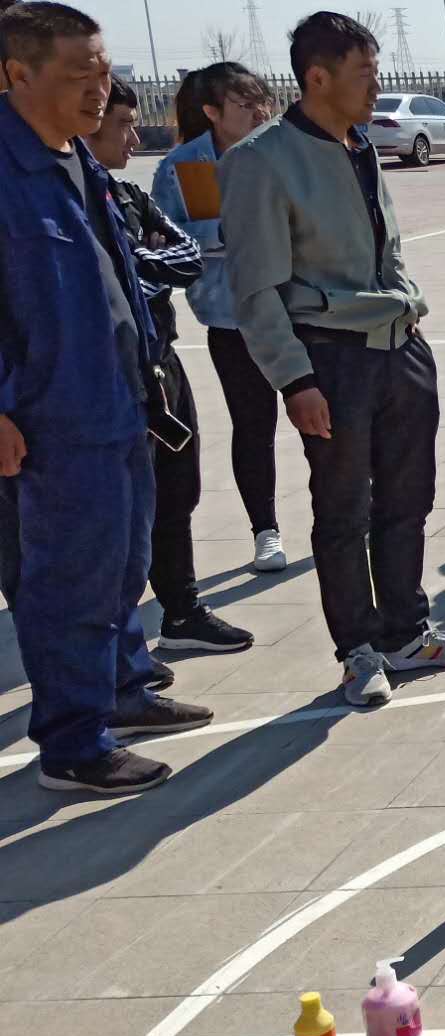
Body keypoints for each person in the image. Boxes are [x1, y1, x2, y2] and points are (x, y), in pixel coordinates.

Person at [222, 11, 445, 707]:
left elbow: (387, 247)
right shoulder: (261, 161)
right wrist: (295, 380)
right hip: (330, 360)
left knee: (408, 499)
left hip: (400, 349)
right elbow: (255, 290)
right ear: (318, 77)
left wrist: (407, 305)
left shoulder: (360, 146)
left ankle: (406, 632)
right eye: (365, 74)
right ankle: (359, 652)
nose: (377, 88)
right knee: (343, 512)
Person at [0, 0, 214, 794]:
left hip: (118, 401)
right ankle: (73, 744)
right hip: (52, 417)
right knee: (68, 581)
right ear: (18, 74)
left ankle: (122, 690)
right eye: (78, 75)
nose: (100, 89)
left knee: (124, 563)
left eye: (104, 71)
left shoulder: (79, 163)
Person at [88, 80, 256, 653]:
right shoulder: (185, 167)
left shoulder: (129, 195)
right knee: (120, 510)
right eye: (123, 125)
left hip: (161, 359)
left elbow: (187, 257)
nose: (136, 138)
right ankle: (116, 645)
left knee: (176, 490)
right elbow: (108, 277)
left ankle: (181, 613)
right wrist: (141, 259)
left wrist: (136, 260)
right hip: (113, 371)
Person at [151, 61, 289, 573]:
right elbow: (166, 242)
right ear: (211, 112)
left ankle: (344, 516)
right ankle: (265, 530)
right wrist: (224, 233)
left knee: (329, 416)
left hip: (298, 309)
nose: (259, 112)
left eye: (262, 101)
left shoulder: (284, 151)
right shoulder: (185, 167)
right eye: (244, 104)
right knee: (254, 425)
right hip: (232, 317)